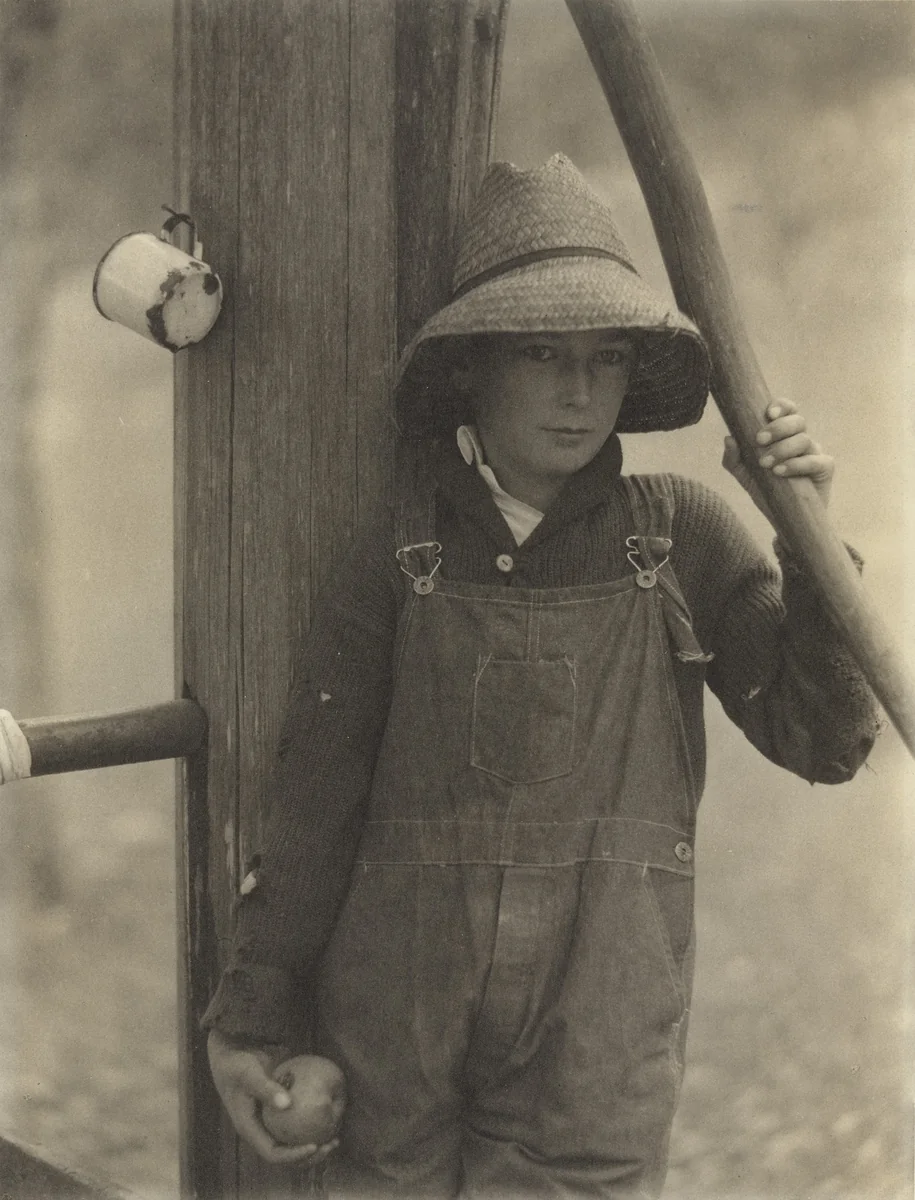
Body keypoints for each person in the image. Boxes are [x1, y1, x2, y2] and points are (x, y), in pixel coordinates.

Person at [203, 154, 878, 1197]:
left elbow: (825, 741)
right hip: (397, 1033)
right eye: (540, 352)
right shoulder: (398, 555)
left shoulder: (682, 537)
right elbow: (316, 799)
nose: (578, 392)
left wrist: (810, 539)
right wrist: (251, 1019)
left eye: (605, 358)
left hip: (595, 1038)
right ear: (472, 366)